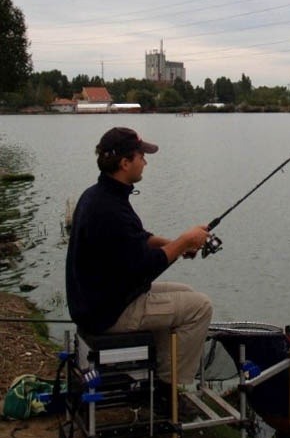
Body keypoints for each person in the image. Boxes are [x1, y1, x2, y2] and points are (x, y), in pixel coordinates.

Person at [65, 127, 213, 389]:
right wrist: (184, 242)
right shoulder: (109, 209)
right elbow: (145, 267)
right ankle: (171, 389)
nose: (145, 161)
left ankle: (159, 372)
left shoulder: (100, 194)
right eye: (141, 156)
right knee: (200, 307)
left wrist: (176, 243)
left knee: (187, 291)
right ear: (124, 163)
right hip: (108, 312)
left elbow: (138, 238)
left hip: (101, 299)